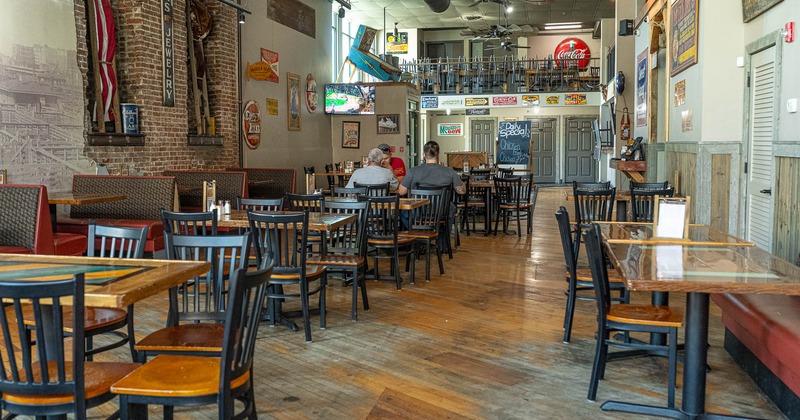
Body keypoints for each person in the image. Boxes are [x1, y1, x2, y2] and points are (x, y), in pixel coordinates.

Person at [397, 141, 465, 196]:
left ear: (423, 154)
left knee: (403, 212)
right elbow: (462, 191)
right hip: (443, 212)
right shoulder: (450, 171)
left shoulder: (413, 171)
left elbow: (401, 192)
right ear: (438, 154)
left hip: (418, 211)